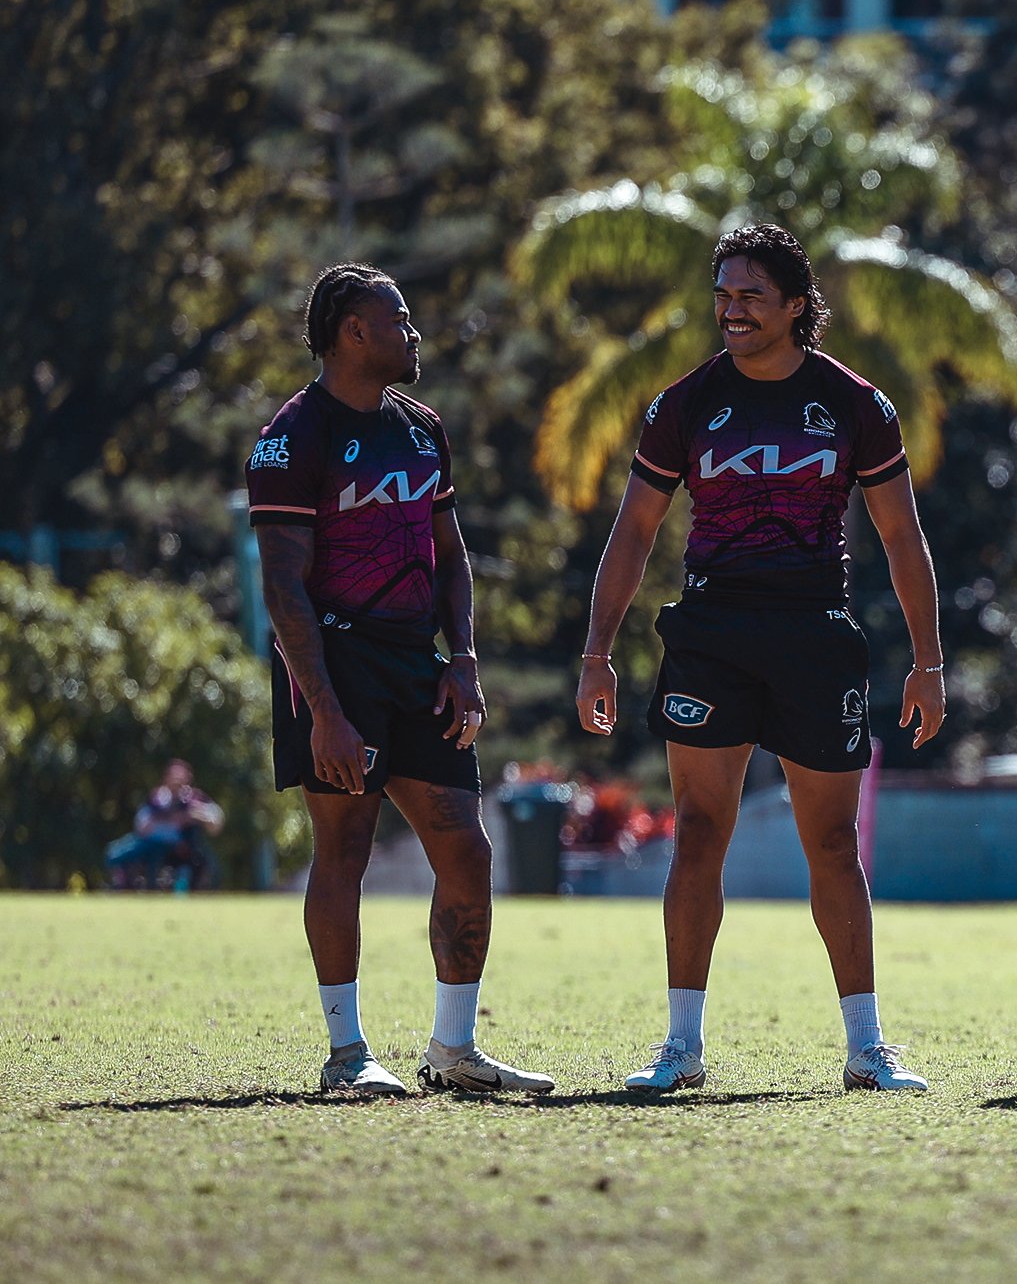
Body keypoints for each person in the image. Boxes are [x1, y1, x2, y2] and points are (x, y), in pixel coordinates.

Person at [577, 224, 945, 1095]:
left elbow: (901, 535)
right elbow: (634, 532)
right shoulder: (684, 404)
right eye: (722, 294)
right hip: (712, 636)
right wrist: (597, 651)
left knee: (829, 842)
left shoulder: (856, 404)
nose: (730, 310)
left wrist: (928, 660)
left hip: (817, 636)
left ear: (794, 306)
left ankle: (867, 1048)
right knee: (700, 833)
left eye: (749, 295)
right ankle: (681, 1047)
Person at [248, 263, 554, 1097]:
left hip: (416, 664)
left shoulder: (422, 428)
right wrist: (323, 711)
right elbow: (282, 590)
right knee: (342, 847)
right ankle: (348, 1056)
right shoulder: (293, 436)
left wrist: (463, 660)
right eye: (400, 321)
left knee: (466, 845)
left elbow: (450, 557)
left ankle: (454, 1051)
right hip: (334, 664)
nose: (414, 335)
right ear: (354, 332)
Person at [105, 760, 224, 890]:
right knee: (115, 853)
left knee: (197, 869)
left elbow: (215, 822)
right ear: (166, 778)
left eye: (181, 779)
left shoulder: (195, 799)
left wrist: (194, 816)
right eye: (174, 777)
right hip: (152, 844)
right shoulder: (157, 799)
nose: (177, 783)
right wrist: (172, 821)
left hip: (185, 851)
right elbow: (142, 827)